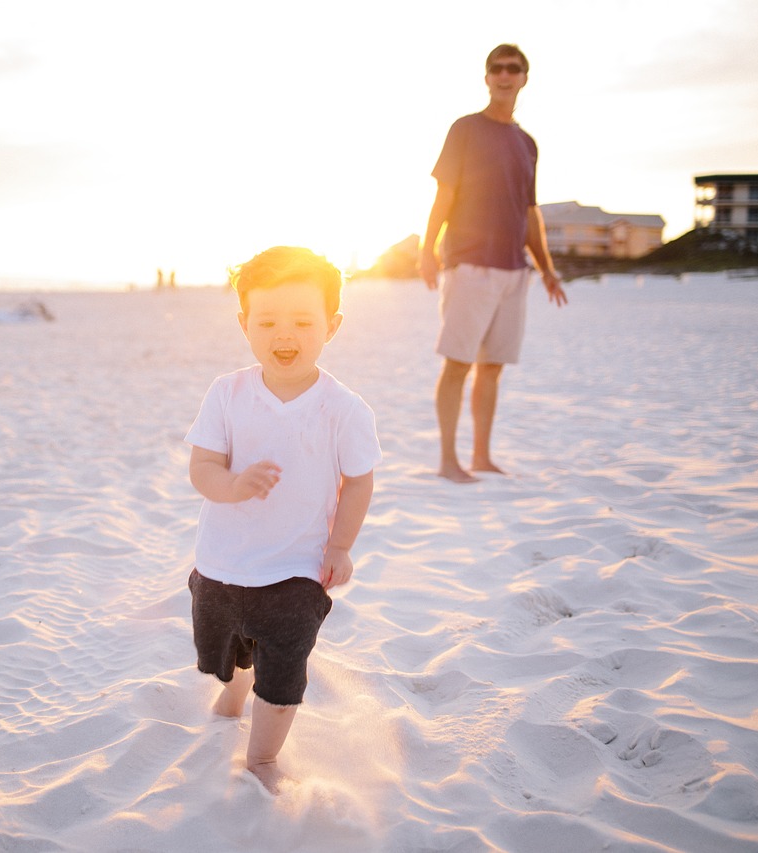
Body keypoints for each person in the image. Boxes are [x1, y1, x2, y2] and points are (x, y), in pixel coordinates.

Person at [185, 246, 381, 793]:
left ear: (332, 326)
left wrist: (340, 547)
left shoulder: (344, 409)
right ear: (245, 324)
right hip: (222, 563)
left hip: (297, 568)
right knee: (225, 651)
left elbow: (359, 480)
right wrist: (231, 485)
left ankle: (264, 758)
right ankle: (233, 687)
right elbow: (201, 466)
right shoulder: (227, 393)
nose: (283, 333)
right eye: (267, 320)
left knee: (284, 665)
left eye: (302, 321)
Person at [418, 43, 567, 483]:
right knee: (458, 362)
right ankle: (449, 460)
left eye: (513, 69)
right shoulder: (465, 129)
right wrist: (427, 251)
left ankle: (481, 456)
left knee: (493, 366)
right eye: (497, 69)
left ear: (524, 78)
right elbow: (443, 194)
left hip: (512, 269)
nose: (505, 75)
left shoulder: (527, 143)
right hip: (469, 263)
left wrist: (546, 268)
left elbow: (529, 212)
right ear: (487, 78)